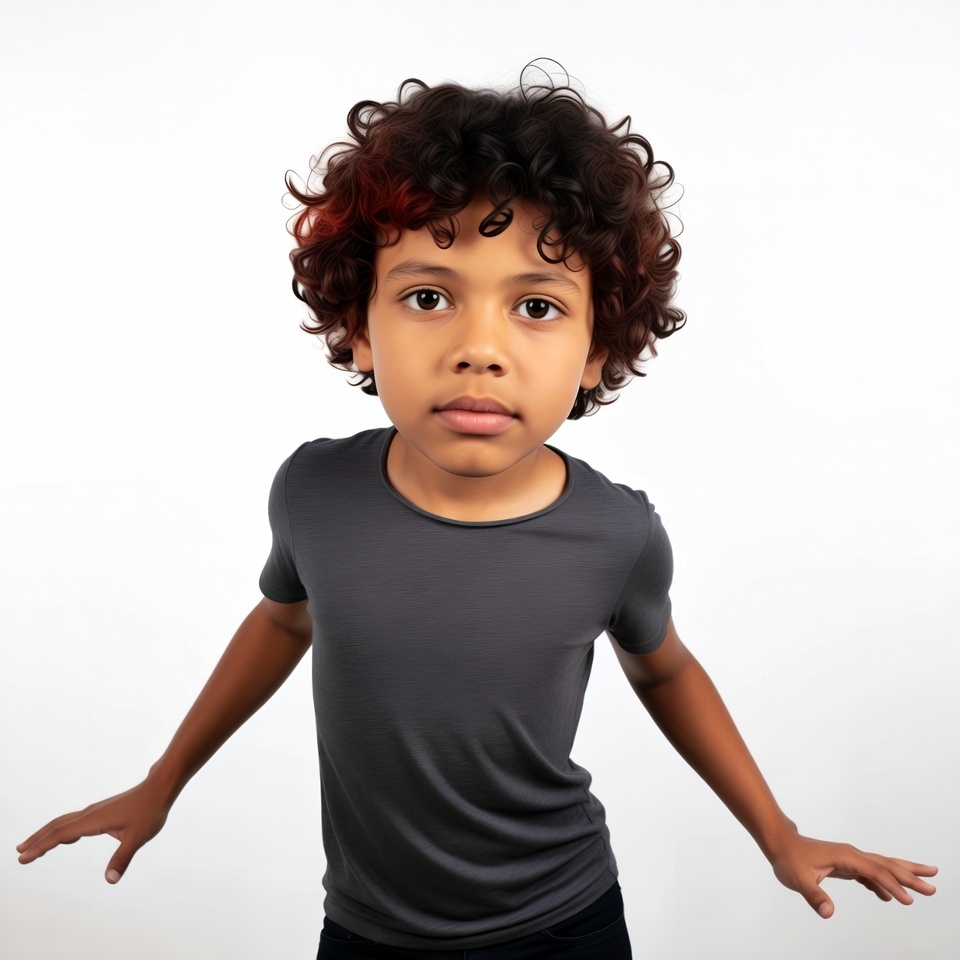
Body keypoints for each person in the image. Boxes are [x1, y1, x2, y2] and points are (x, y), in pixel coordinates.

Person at [17, 67, 937, 959]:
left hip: (565, 926)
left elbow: (666, 672)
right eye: (428, 297)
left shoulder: (617, 534)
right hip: (368, 934)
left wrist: (777, 832)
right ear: (361, 326)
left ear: (596, 349)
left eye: (536, 305)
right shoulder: (312, 492)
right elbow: (283, 619)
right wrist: (162, 783)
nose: (479, 349)